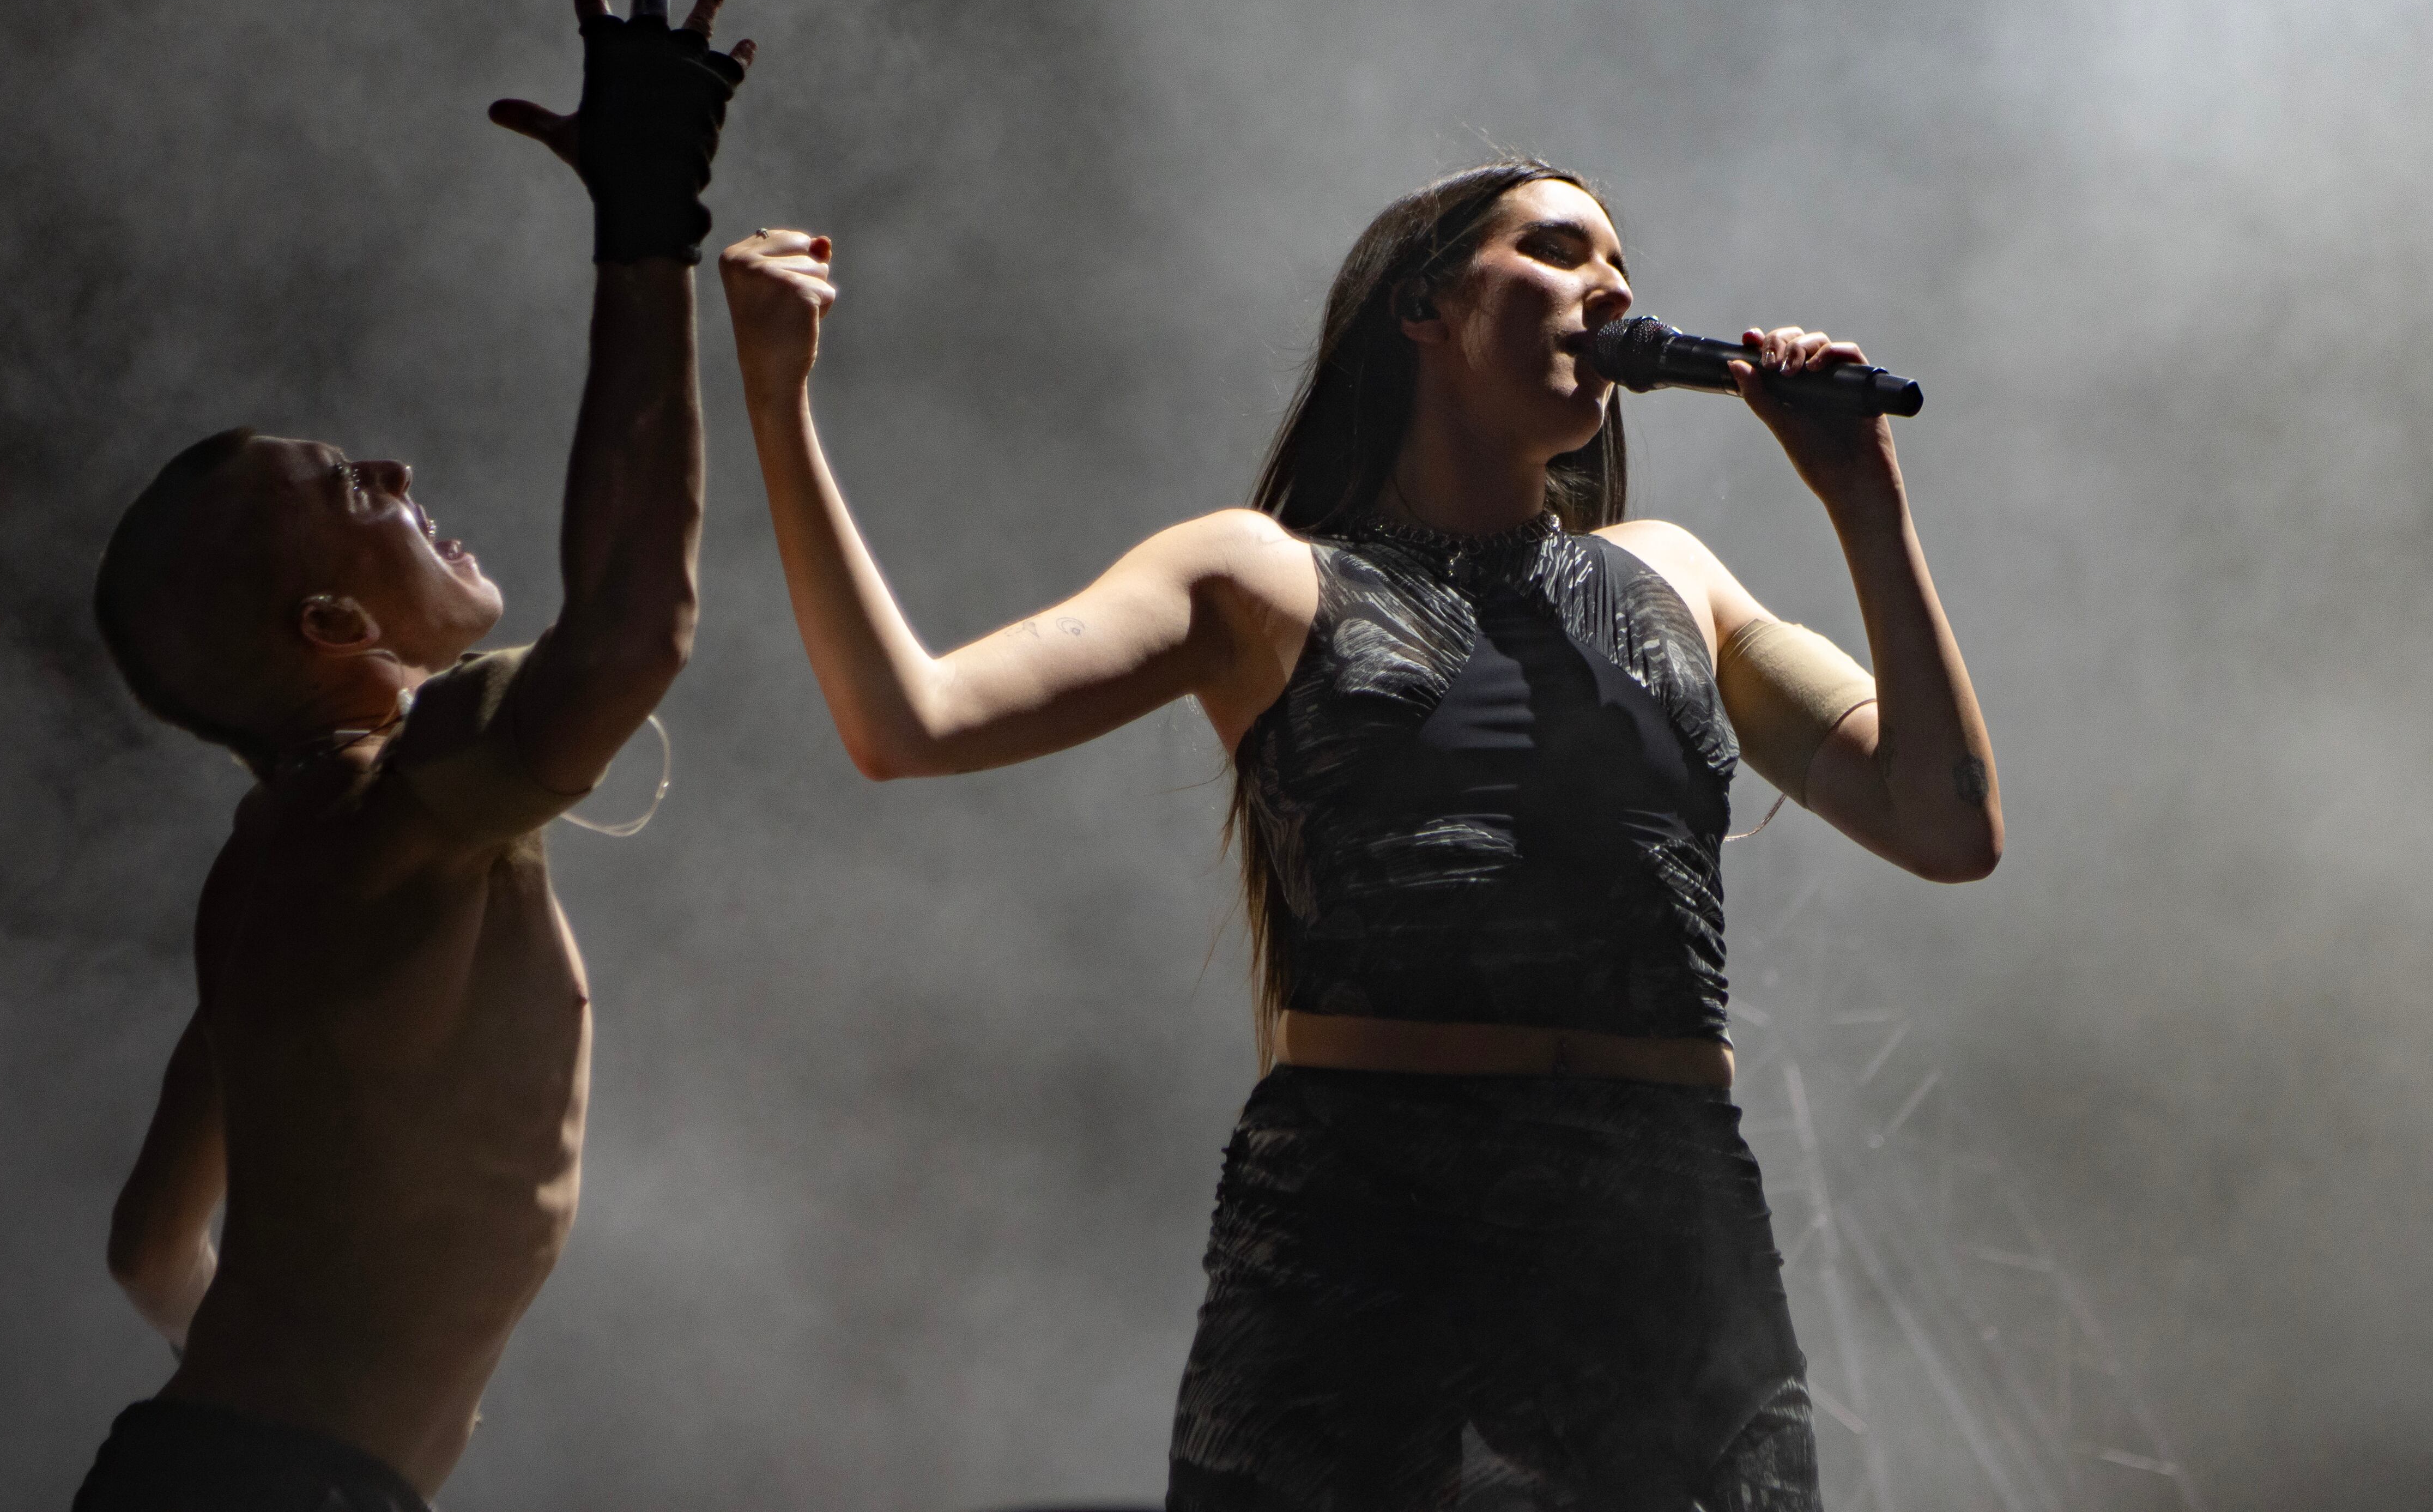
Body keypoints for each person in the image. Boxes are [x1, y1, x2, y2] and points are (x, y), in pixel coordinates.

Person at [717, 162, 2000, 1510]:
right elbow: (905, 719)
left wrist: (1864, 496)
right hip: (1371, 1229)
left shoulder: (1674, 575)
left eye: (1620, 264)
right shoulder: (1260, 574)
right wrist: (774, 394)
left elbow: (1946, 822)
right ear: (1423, 306)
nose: (1611, 288)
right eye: (1558, 250)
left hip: (1670, 1238)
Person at [71, 0, 752, 1512]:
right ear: (332, 628)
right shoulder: (399, 803)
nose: (389, 469)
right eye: (342, 488)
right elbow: (634, 633)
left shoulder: (265, 878)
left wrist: (345, 1426)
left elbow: (150, 1245)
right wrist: (647, 235)